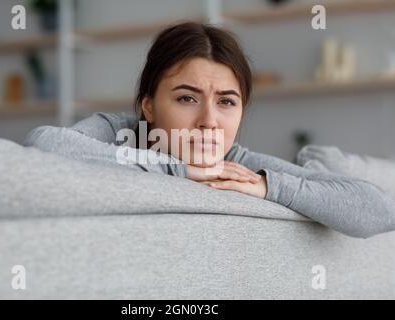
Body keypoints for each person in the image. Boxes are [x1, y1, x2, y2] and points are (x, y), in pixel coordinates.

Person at [24, 22, 395, 238]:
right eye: (187, 98)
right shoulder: (121, 131)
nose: (209, 121)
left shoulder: (235, 163)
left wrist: (270, 186)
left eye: (227, 102)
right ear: (149, 105)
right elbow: (45, 145)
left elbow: (378, 208)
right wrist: (179, 170)